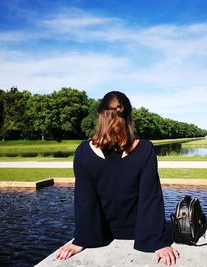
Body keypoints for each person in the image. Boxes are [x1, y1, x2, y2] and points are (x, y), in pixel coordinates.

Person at [55, 91, 180, 266]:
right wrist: (157, 242)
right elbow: (150, 199)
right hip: (140, 232)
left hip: (100, 233)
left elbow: (85, 201)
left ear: (100, 115)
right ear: (129, 116)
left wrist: (81, 240)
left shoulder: (83, 152)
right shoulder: (145, 149)